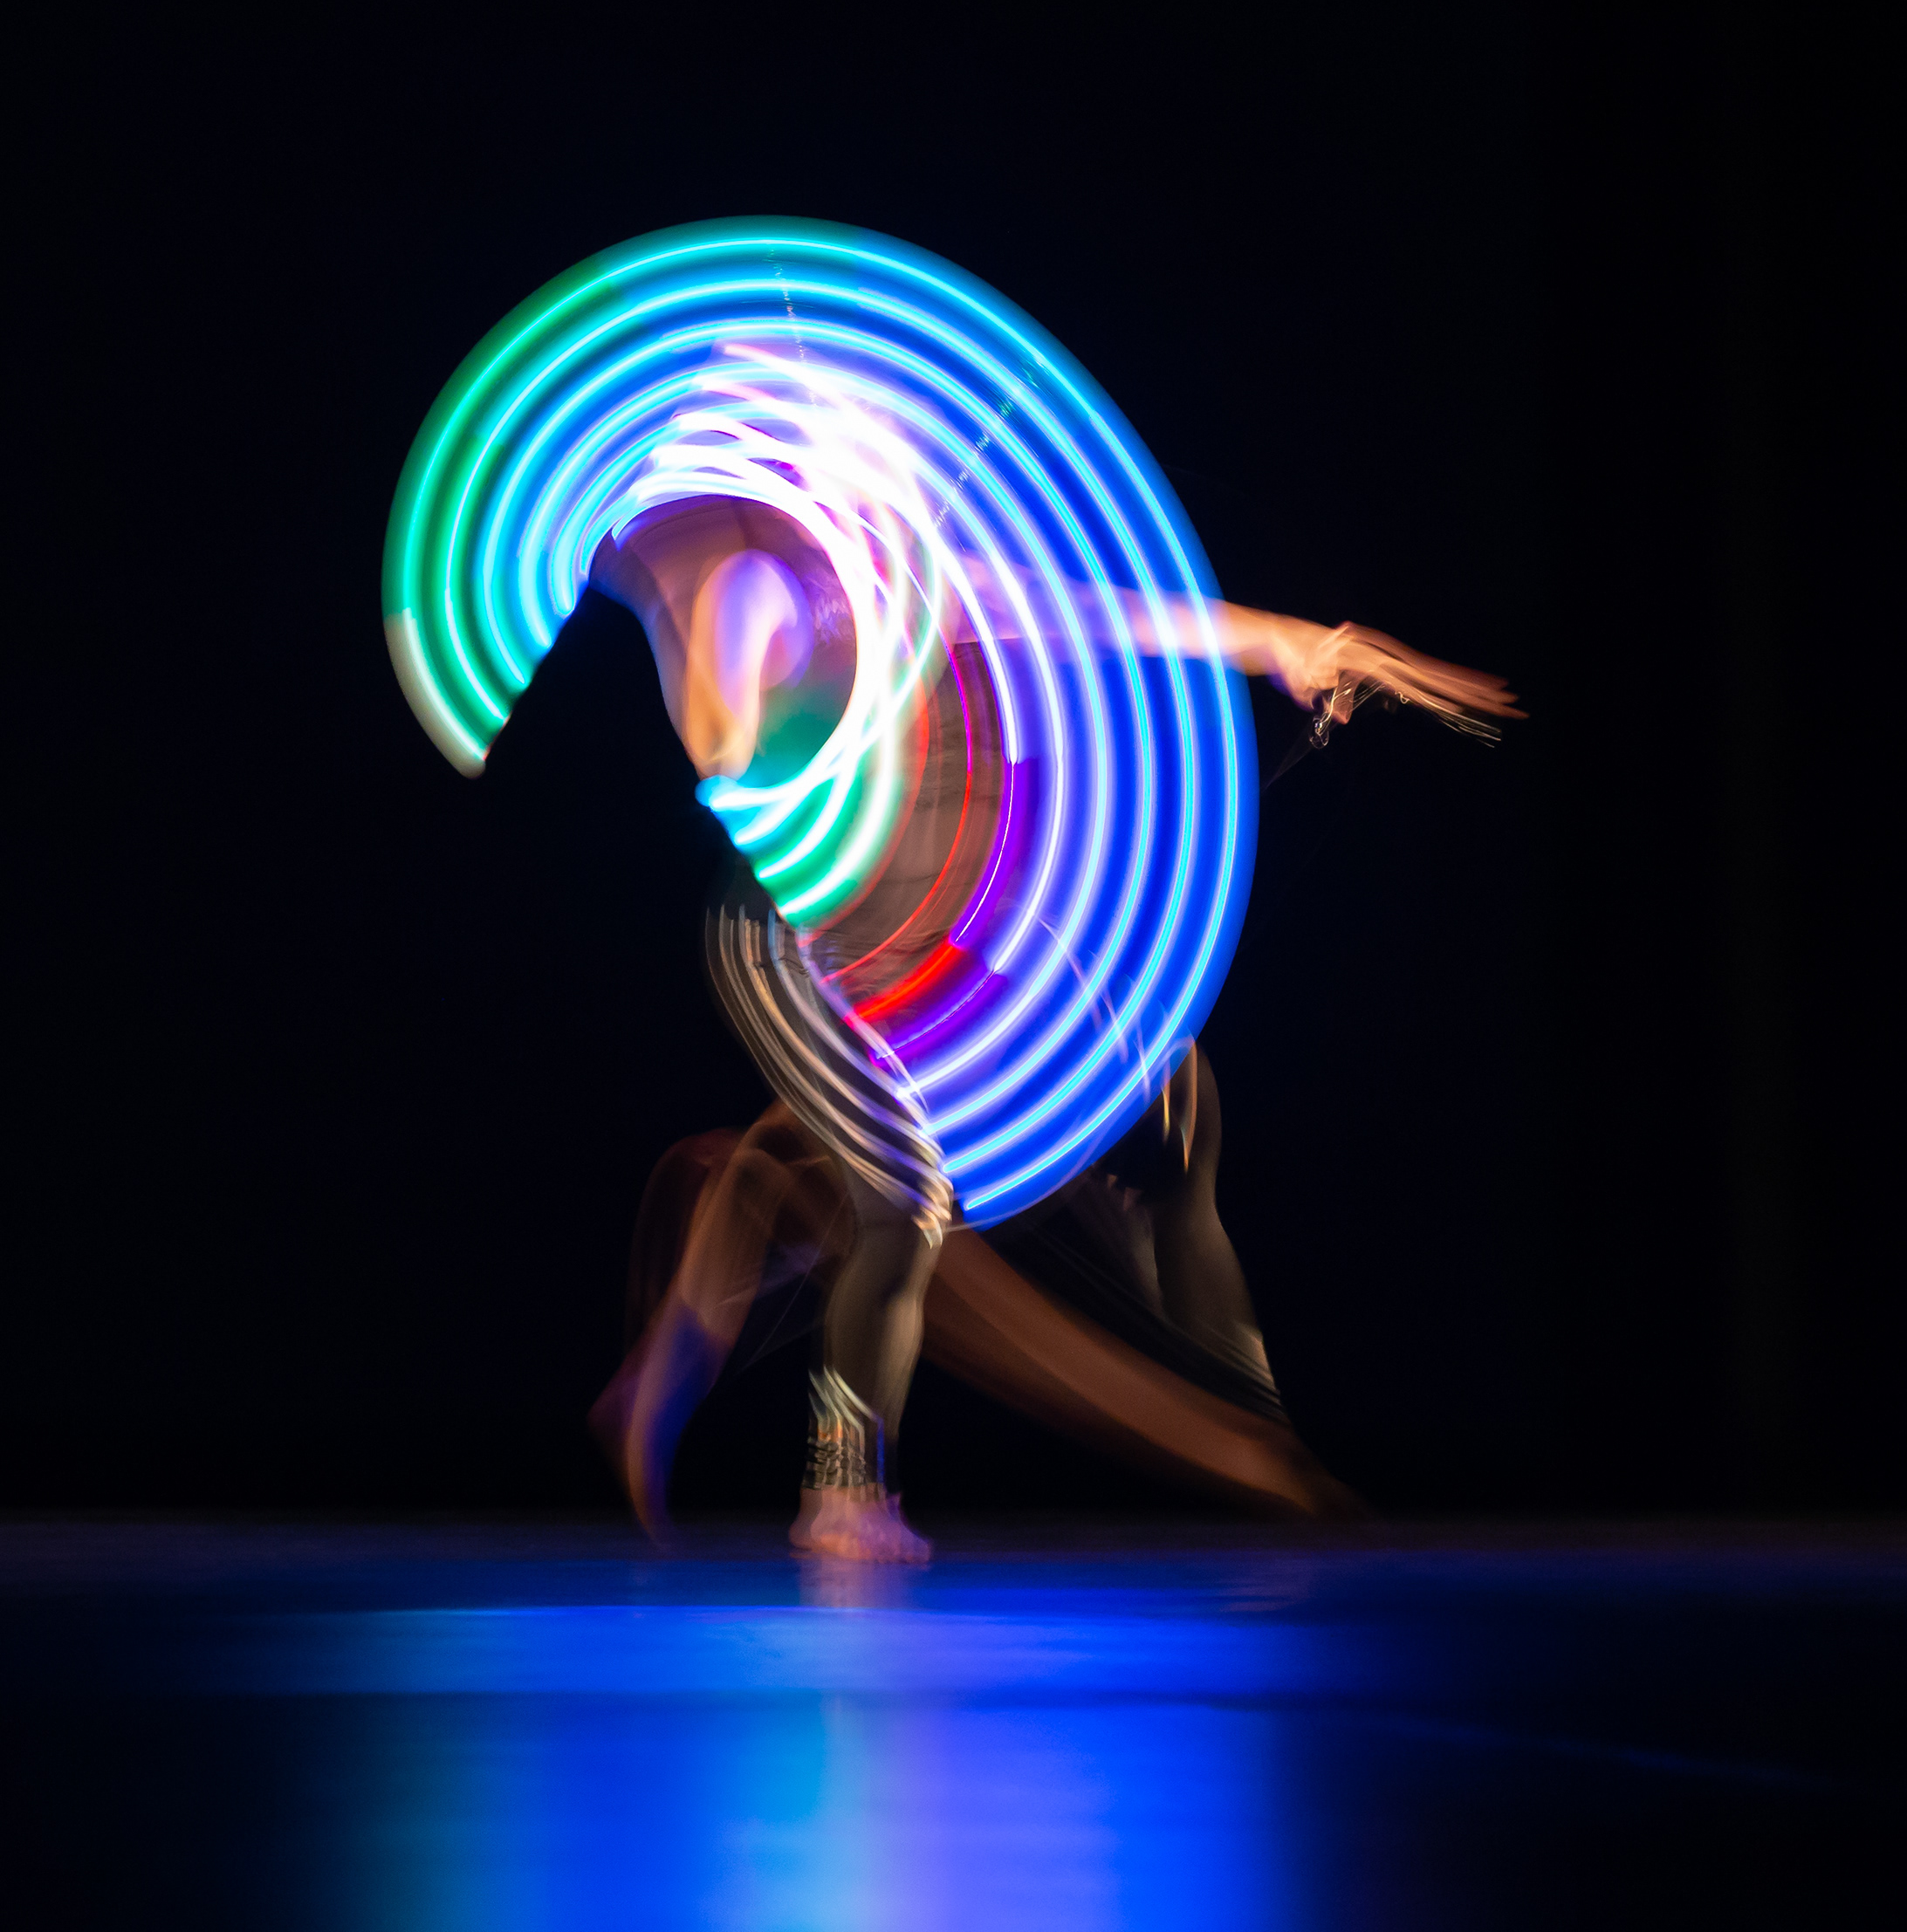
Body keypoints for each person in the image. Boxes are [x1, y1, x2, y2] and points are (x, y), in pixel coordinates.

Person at [582, 491, 1518, 1559]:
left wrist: (1293, 642)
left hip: (943, 935)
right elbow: (717, 733)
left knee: (1170, 1106)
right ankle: (840, 1493)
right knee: (900, 1189)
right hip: (798, 950)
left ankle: (1257, 1425)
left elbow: (1115, 613)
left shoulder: (928, 585)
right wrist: (728, 651)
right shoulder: (757, 591)